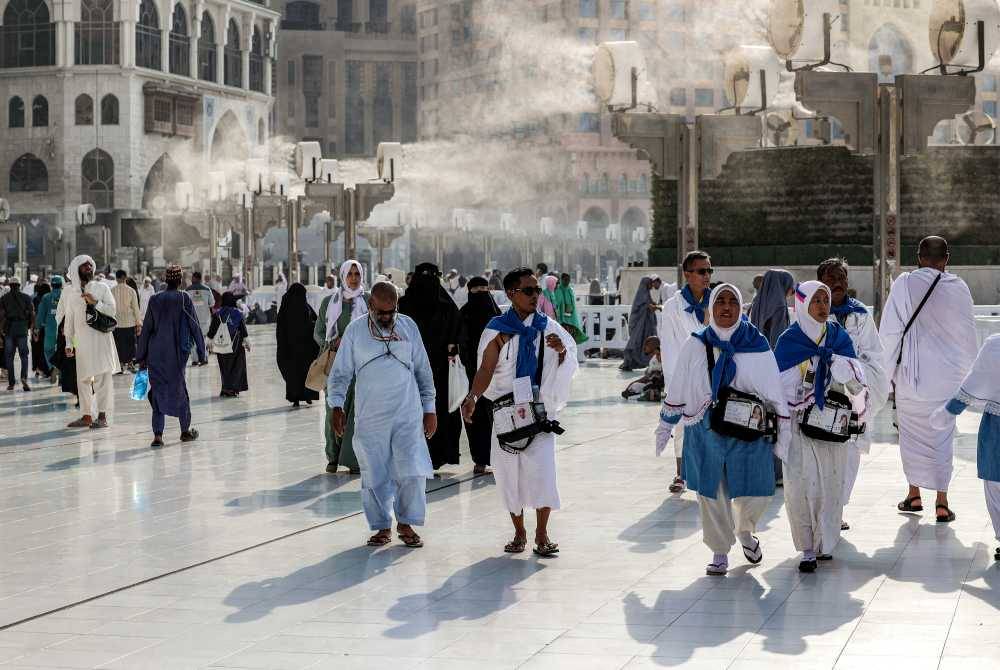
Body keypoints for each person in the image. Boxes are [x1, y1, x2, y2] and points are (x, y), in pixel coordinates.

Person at [655, 283, 788, 576]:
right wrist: (666, 424)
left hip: (748, 429)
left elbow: (773, 388)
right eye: (720, 301)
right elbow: (679, 383)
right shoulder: (697, 343)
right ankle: (719, 550)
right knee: (712, 492)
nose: (726, 307)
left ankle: (745, 530)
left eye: (732, 301)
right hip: (706, 427)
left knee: (758, 490)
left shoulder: (757, 342)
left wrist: (783, 429)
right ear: (711, 308)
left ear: (741, 308)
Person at [462, 268, 577, 557]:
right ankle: (519, 532)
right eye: (529, 291)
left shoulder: (548, 327)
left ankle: (542, 533)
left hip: (539, 412)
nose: (535, 295)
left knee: (543, 473)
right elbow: (486, 369)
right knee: (508, 475)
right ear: (512, 294)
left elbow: (568, 359)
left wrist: (561, 351)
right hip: (506, 413)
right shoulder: (498, 329)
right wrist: (473, 396)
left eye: (537, 290)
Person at [328, 281, 437, 548]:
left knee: (411, 468)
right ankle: (381, 527)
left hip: (407, 412)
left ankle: (407, 523)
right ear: (370, 306)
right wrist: (337, 406)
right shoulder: (355, 331)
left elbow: (423, 369)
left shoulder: (408, 326)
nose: (387, 317)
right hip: (370, 415)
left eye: (391, 311)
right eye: (381, 312)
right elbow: (340, 373)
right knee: (373, 471)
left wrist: (429, 409)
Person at [880, 236, 978, 522]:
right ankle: (942, 502)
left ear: (919, 257)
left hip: (912, 379)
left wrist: (885, 376)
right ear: (946, 258)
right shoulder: (959, 288)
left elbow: (889, 333)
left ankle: (913, 495)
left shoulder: (904, 285)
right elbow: (968, 337)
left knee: (910, 437)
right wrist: (968, 381)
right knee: (942, 439)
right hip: (946, 381)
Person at [775, 281, 868, 573]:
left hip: (831, 423)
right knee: (802, 484)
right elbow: (778, 382)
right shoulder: (790, 340)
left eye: (824, 300)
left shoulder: (837, 336)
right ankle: (806, 547)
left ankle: (825, 543)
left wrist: (831, 360)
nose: (821, 306)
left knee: (830, 483)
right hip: (799, 424)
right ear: (802, 304)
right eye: (815, 300)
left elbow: (856, 377)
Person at [817, 258, 889, 530]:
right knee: (823, 450)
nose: (837, 283)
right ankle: (823, 508)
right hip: (822, 395)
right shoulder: (812, 310)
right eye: (831, 278)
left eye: (842, 278)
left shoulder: (859, 313)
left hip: (854, 393)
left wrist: (854, 372)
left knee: (849, 454)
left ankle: (838, 509)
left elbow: (874, 354)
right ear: (820, 281)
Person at [930, 335, 1000, 561]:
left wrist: (950, 411)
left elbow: (974, 382)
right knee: (995, 484)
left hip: (996, 427)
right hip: (996, 428)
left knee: (996, 485)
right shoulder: (994, 345)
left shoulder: (994, 345)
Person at [658, 250, 714, 494]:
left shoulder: (717, 300)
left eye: (709, 271)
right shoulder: (673, 307)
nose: (707, 276)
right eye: (702, 271)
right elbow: (669, 347)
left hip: (714, 375)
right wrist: (675, 385)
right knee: (682, 425)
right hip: (684, 376)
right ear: (687, 274)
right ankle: (681, 473)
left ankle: (713, 471)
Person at [399, 262, 462, 470]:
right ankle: (435, 455)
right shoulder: (446, 305)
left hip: (414, 368)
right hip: (433, 369)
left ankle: (420, 456)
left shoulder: (405, 304)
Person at [136, 265, 206, 447]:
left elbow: (146, 330)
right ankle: (184, 431)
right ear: (180, 280)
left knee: (158, 392)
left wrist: (140, 355)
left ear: (166, 280)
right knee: (180, 391)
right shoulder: (184, 298)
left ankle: (158, 435)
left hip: (156, 354)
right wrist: (202, 351)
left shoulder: (154, 299)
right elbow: (195, 325)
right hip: (176, 355)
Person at [314, 260, 369, 474]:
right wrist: (331, 341)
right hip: (336, 363)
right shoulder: (330, 302)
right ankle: (333, 456)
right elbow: (318, 331)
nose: (354, 278)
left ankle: (354, 458)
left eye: (357, 274)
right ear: (343, 276)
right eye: (350, 274)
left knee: (357, 411)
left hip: (361, 365)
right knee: (334, 409)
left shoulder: (367, 300)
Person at [63, 255, 120, 428]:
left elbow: (112, 311)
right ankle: (86, 416)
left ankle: (102, 416)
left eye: (90, 265)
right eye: (84, 266)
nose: (88, 267)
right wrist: (68, 343)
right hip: (82, 342)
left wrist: (95, 303)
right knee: (83, 379)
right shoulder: (70, 293)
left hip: (102, 340)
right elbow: (69, 320)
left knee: (103, 378)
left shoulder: (102, 288)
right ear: (76, 270)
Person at [458, 275, 501, 475]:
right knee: (474, 417)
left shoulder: (498, 315)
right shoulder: (464, 314)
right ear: (469, 292)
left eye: (485, 289)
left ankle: (497, 458)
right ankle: (479, 460)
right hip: (470, 375)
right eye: (476, 290)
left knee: (496, 417)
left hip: (496, 374)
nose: (481, 294)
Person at [276, 282, 320, 408]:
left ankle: (295, 398)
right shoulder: (305, 306)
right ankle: (307, 396)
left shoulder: (285, 307)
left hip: (289, 350)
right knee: (306, 373)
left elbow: (280, 330)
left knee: (293, 374)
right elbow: (315, 324)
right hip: (306, 349)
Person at [206, 292, 250, 398]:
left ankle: (225, 388)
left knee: (224, 368)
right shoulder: (237, 314)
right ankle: (232, 389)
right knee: (237, 367)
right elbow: (243, 330)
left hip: (221, 346)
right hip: (236, 346)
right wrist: (247, 343)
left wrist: (208, 343)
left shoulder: (217, 314)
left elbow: (212, 331)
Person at [1, 276, 35, 391]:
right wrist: (30, 327)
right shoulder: (26, 297)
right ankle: (24, 378)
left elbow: (1, 315)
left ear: (10, 286)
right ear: (19, 286)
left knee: (9, 357)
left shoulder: (4, 298)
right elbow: (32, 313)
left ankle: (11, 383)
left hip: (9, 329)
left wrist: (1, 330)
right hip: (22, 328)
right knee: (24, 356)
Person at [621, 276, 661, 371]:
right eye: (650, 283)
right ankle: (630, 361)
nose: (651, 285)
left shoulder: (646, 294)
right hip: (640, 324)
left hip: (646, 324)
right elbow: (643, 307)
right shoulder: (642, 295)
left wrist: (653, 305)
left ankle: (647, 361)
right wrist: (653, 307)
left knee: (647, 343)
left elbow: (649, 304)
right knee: (637, 341)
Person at [749, 269, 796, 348]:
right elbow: (779, 340)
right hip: (774, 355)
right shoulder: (780, 307)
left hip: (757, 350)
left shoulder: (757, 302)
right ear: (783, 284)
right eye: (790, 285)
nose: (792, 290)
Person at [111, 270, 141, 374]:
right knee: (130, 344)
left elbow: (109, 308)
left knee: (118, 344)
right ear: (125, 278)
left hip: (116, 323)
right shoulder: (131, 291)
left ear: (116, 278)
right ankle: (130, 364)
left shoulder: (112, 291)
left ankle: (120, 366)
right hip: (129, 322)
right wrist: (138, 323)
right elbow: (136, 308)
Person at [185, 271, 215, 366]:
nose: (191, 280)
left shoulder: (188, 290)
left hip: (192, 319)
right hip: (205, 319)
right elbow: (212, 303)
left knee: (193, 339)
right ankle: (204, 358)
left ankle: (195, 359)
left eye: (192, 278)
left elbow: (184, 305)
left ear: (195, 278)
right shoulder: (207, 289)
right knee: (204, 338)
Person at [622, 336, 664, 401]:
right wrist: (634, 382)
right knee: (635, 385)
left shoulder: (666, 357)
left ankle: (647, 394)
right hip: (651, 383)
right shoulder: (653, 360)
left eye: (646, 345)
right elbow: (648, 376)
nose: (644, 347)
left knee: (649, 388)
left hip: (662, 386)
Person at [36, 275, 62, 378]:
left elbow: (41, 314)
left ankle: (53, 366)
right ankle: (63, 373)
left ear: (52, 285)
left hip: (50, 329)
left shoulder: (46, 297)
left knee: (48, 349)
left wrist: (38, 326)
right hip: (66, 330)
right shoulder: (66, 295)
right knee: (70, 349)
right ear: (61, 285)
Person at [553, 273, 588, 345]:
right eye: (565, 280)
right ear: (561, 280)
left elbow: (573, 303)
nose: (567, 282)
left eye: (568, 280)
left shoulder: (570, 290)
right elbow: (556, 304)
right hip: (563, 318)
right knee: (564, 337)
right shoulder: (558, 290)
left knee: (572, 337)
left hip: (571, 316)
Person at [30, 279, 51, 379]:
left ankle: (38, 369)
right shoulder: (50, 298)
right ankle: (48, 369)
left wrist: (33, 328)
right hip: (49, 327)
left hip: (37, 327)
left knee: (37, 348)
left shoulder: (35, 299)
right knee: (47, 349)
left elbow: (34, 314)